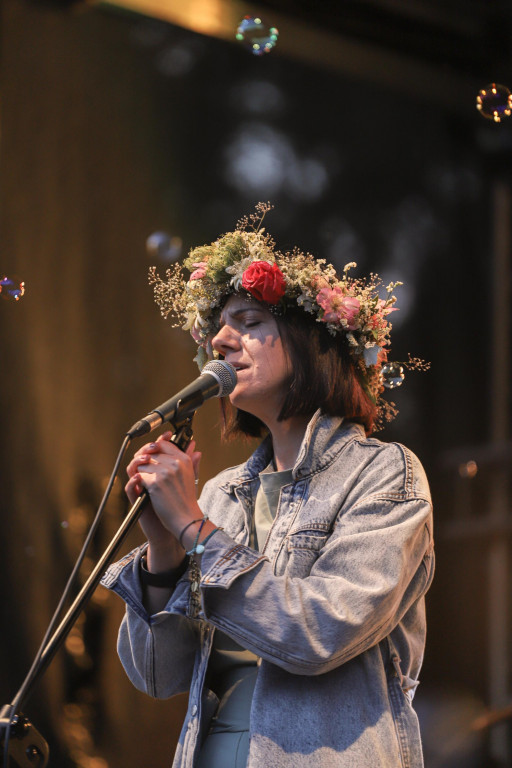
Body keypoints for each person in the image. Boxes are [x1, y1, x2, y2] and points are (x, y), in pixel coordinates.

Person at [102, 203, 434, 768]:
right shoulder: (220, 494)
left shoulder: (383, 473)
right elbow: (158, 675)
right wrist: (163, 548)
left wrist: (195, 530)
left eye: (250, 322)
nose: (222, 341)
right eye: (218, 329)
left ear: (311, 343)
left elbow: (320, 633)